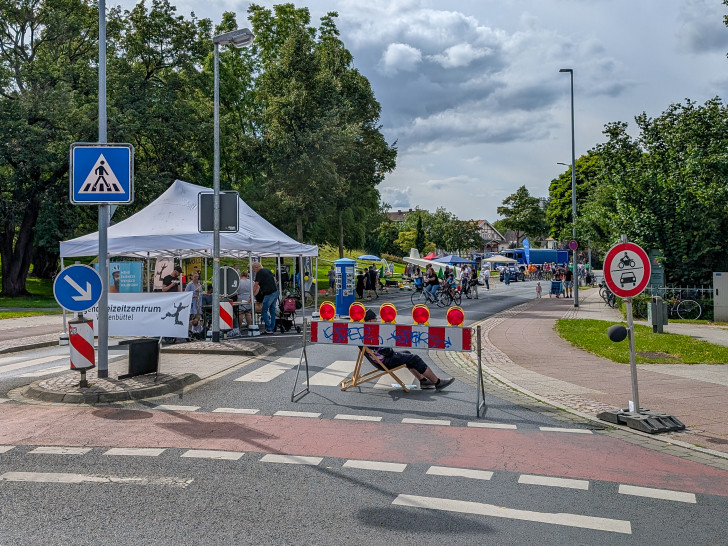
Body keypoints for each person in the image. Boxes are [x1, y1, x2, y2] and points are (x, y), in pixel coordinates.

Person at [362, 310, 454, 391]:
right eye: (375, 319)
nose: (376, 321)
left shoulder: (363, 332)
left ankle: (423, 381)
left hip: (379, 361)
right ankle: (437, 382)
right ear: (369, 320)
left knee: (407, 354)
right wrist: (388, 345)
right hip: (385, 361)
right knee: (414, 358)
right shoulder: (370, 334)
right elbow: (387, 351)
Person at [252, 261, 279, 335]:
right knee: (272, 310)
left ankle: (269, 328)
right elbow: (275, 280)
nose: (253, 271)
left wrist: (251, 295)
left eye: (253, 269)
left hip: (268, 293)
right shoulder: (267, 270)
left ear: (256, 267)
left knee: (264, 310)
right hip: (275, 291)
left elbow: (256, 285)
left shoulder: (259, 273)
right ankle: (272, 327)